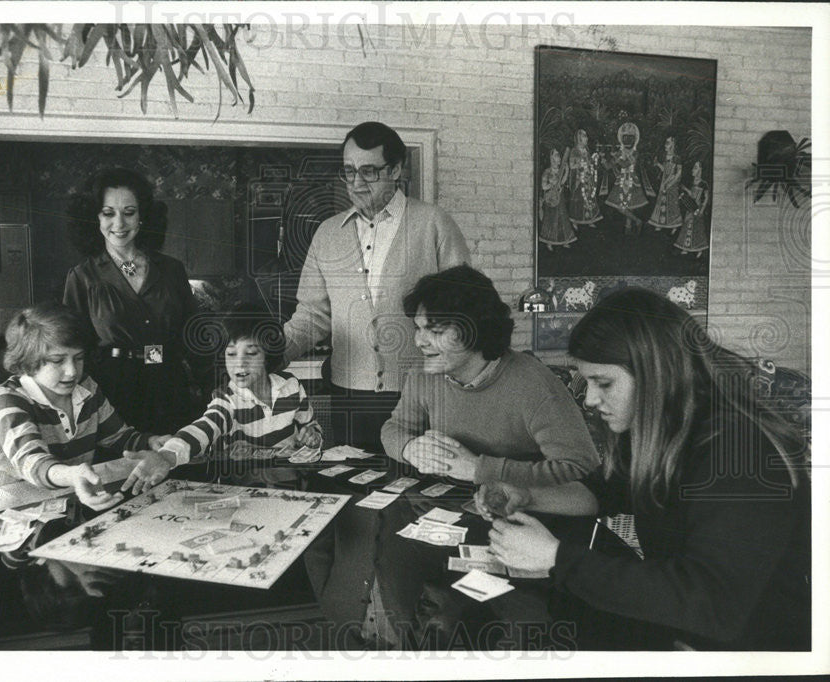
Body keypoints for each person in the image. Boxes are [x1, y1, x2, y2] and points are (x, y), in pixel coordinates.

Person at [483, 288, 810, 650]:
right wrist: (527, 495)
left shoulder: (738, 451)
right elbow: (605, 491)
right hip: (687, 628)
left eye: (603, 383)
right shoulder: (659, 426)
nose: (590, 400)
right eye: (587, 382)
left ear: (656, 373)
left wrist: (556, 558)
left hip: (755, 650)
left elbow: (714, 603)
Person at [283, 121, 470, 451]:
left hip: (425, 394)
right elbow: (311, 316)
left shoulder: (434, 224)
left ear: (396, 169)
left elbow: (465, 312)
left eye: (368, 171)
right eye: (348, 171)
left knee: (422, 490)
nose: (355, 183)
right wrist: (270, 353)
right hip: (348, 396)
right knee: (355, 490)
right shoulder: (327, 234)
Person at [381, 265, 599, 487]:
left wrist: (479, 469)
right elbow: (394, 428)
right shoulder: (423, 373)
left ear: (475, 329)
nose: (419, 341)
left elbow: (580, 468)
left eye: (435, 331)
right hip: (446, 504)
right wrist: (409, 448)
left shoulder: (535, 384)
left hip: (521, 509)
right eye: (418, 328)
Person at [0, 302, 176, 511]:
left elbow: (119, 437)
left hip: (73, 504)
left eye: (78, 358)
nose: (71, 372)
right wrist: (72, 475)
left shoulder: (86, 387)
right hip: (19, 516)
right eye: (58, 361)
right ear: (28, 360)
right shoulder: (7, 399)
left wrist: (150, 442)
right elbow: (32, 462)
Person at [63, 167, 207, 436]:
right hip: (113, 396)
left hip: (171, 389)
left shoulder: (171, 270)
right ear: (94, 218)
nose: (119, 224)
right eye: (108, 213)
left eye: (129, 212)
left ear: (143, 216)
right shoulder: (82, 277)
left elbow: (194, 338)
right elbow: (73, 347)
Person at [158, 303, 322, 466]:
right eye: (231, 354)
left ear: (268, 355)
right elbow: (204, 428)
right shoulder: (226, 399)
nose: (240, 363)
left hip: (293, 483)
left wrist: (312, 436)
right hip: (245, 487)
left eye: (251, 353)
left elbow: (311, 426)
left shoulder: (291, 386)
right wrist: (167, 457)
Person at [538, 148, 576, 251]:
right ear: (551, 158)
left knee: (562, 218)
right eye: (556, 155)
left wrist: (567, 171)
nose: (558, 157)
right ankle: (549, 242)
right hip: (551, 199)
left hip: (560, 197)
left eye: (559, 155)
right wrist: (551, 184)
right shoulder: (547, 171)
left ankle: (564, 240)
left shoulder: (559, 171)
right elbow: (543, 186)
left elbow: (562, 182)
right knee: (551, 220)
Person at [565, 128, 602, 229]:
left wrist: (594, 159)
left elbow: (589, 163)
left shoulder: (586, 150)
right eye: (584, 136)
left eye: (586, 136)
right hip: (578, 180)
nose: (587, 138)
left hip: (587, 179)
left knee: (589, 198)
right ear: (579, 138)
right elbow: (572, 165)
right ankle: (575, 220)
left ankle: (589, 219)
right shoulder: (574, 151)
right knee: (578, 200)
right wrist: (581, 162)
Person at [674, 159, 710, 257]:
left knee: (697, 229)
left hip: (697, 208)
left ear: (700, 170)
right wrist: (685, 191)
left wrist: (702, 210)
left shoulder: (703, 183)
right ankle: (686, 247)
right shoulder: (692, 181)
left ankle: (699, 249)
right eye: (693, 168)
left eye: (695, 168)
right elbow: (691, 195)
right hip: (690, 207)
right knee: (687, 225)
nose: (693, 170)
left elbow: (706, 198)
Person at [647, 135, 683, 232]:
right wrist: (657, 164)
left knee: (672, 205)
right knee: (662, 202)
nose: (665, 145)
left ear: (673, 144)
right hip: (664, 182)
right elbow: (664, 170)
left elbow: (678, 173)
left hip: (672, 183)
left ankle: (675, 224)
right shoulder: (666, 157)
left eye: (668, 143)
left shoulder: (677, 158)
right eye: (666, 142)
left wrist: (669, 183)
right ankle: (660, 223)